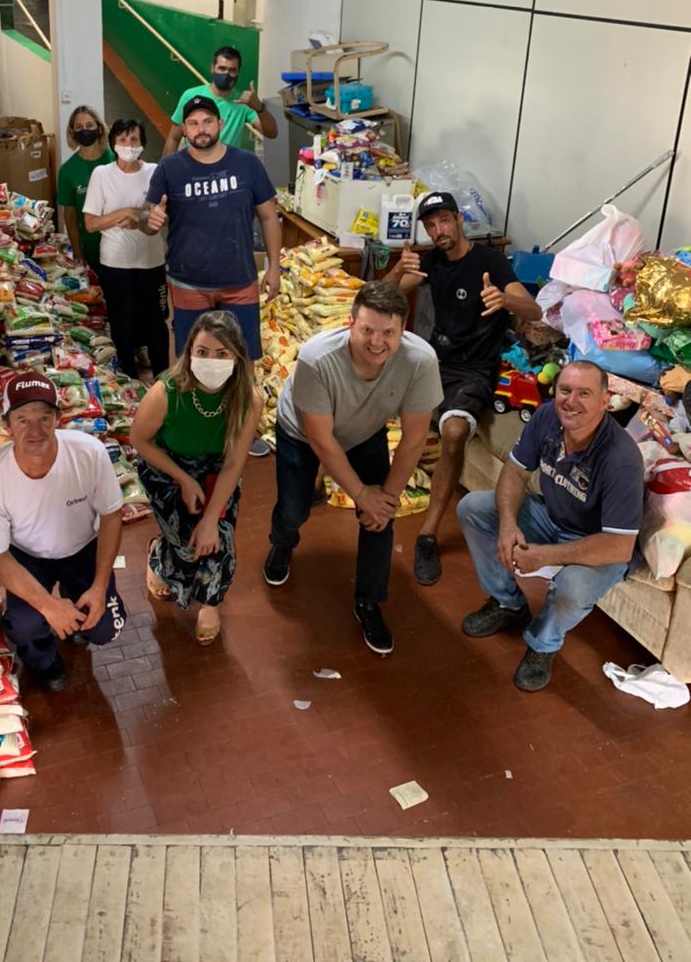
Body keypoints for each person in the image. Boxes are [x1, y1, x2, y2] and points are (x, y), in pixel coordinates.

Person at [264, 281, 443, 654]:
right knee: (295, 508)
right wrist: (361, 494)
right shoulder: (317, 359)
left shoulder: (421, 361)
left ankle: (369, 601)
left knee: (380, 518)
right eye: (367, 330)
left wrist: (384, 500)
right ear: (350, 324)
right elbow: (321, 441)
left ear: (404, 330)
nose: (377, 342)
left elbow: (413, 440)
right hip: (302, 432)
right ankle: (282, 542)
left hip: (365, 429)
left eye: (388, 333)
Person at [457, 360, 645, 692]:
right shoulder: (547, 417)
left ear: (605, 401)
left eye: (584, 393)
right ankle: (507, 604)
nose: (571, 401)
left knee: (571, 590)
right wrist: (507, 525)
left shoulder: (621, 459)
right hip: (554, 516)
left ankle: (543, 644)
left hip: (600, 543)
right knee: (473, 508)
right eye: (565, 390)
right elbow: (516, 471)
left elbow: (619, 547)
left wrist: (543, 556)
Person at [387, 191, 541, 587]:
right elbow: (380, 297)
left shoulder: (490, 262)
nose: (439, 230)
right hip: (431, 360)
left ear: (459, 220)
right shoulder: (430, 261)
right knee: (361, 391)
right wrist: (396, 271)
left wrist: (505, 299)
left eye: (444, 221)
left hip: (473, 370)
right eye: (431, 225)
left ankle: (427, 536)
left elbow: (534, 310)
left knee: (454, 433)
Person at [0, 372, 127, 691]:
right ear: (6, 425)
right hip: (27, 555)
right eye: (23, 420)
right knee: (25, 625)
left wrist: (99, 587)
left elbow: (111, 516)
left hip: (83, 547)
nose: (35, 431)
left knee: (105, 629)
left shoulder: (89, 453)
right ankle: (43, 661)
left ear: (58, 419)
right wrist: (47, 605)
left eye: (44, 418)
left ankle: (76, 610)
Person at [131, 311, 262, 645]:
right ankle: (160, 554)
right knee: (184, 542)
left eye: (222, 353)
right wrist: (184, 480)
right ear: (189, 351)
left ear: (237, 357)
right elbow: (139, 440)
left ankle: (210, 603)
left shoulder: (248, 400)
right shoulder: (166, 392)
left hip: (217, 469)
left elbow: (234, 464)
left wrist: (210, 519)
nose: (211, 361)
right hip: (167, 466)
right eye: (202, 352)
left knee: (218, 538)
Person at [146, 94, 281, 362]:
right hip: (188, 282)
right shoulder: (169, 168)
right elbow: (147, 217)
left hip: (240, 280)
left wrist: (274, 266)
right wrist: (148, 221)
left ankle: (239, 393)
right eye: (193, 123)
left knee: (242, 358)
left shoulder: (248, 164)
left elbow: (269, 217)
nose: (201, 129)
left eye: (207, 121)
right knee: (191, 358)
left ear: (220, 124)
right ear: (184, 130)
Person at [82, 118, 168, 379]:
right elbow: (91, 223)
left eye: (134, 139)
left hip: (151, 262)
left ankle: (163, 381)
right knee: (122, 324)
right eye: (122, 139)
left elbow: (163, 215)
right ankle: (127, 381)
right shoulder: (102, 174)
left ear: (143, 143)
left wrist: (137, 218)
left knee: (156, 324)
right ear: (113, 144)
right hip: (116, 264)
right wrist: (125, 212)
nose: (128, 145)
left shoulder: (155, 172)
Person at [162, 45, 278, 156]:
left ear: (238, 72)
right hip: (194, 165)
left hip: (227, 166)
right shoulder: (190, 96)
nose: (226, 74)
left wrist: (259, 108)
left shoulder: (243, 103)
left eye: (232, 70)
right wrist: (163, 168)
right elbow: (174, 138)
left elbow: (271, 133)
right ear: (212, 68)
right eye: (222, 68)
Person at [57, 106, 115, 272]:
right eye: (79, 127)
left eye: (89, 125)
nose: (85, 130)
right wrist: (77, 251)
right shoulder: (67, 171)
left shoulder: (115, 158)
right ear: (72, 132)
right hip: (92, 247)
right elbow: (70, 215)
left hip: (121, 244)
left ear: (99, 128)